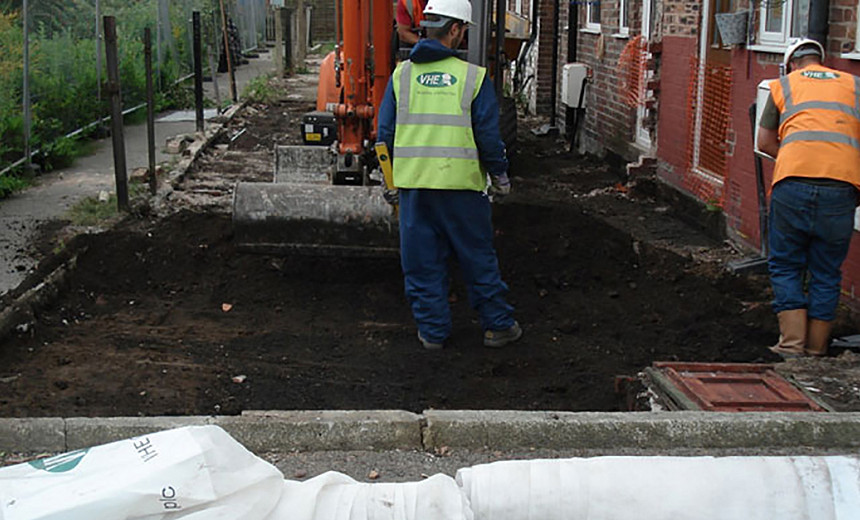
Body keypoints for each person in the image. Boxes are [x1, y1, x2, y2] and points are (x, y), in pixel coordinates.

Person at [376, 0, 521, 350]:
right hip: (462, 190)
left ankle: (432, 333)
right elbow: (489, 137)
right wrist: (500, 177)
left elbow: (385, 135)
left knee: (422, 265)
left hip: (415, 191)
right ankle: (497, 327)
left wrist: (389, 181)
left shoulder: (401, 76)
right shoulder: (472, 78)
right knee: (477, 257)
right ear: (456, 29)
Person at [757, 38, 860, 358]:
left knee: (786, 264)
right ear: (822, 60)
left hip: (793, 185)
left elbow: (764, 142)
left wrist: (793, 161)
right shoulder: (855, 85)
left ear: (792, 63)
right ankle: (816, 350)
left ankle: (791, 345)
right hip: (841, 188)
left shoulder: (783, 86)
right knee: (827, 270)